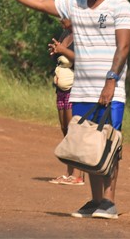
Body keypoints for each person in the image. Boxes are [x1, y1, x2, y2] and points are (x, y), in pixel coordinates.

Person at [0, 0, 130, 219]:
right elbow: (38, 2)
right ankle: (94, 201)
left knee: (109, 143)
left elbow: (124, 47)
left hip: (109, 89)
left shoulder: (120, 6)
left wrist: (111, 81)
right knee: (86, 144)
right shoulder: (74, 5)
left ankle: (109, 203)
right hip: (81, 89)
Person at [47, 18, 85, 186]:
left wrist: (63, 49)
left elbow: (81, 59)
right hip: (61, 89)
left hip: (74, 88)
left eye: (64, 16)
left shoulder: (81, 36)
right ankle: (69, 172)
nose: (60, 19)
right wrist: (56, 51)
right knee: (64, 129)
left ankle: (78, 174)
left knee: (74, 130)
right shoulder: (64, 34)